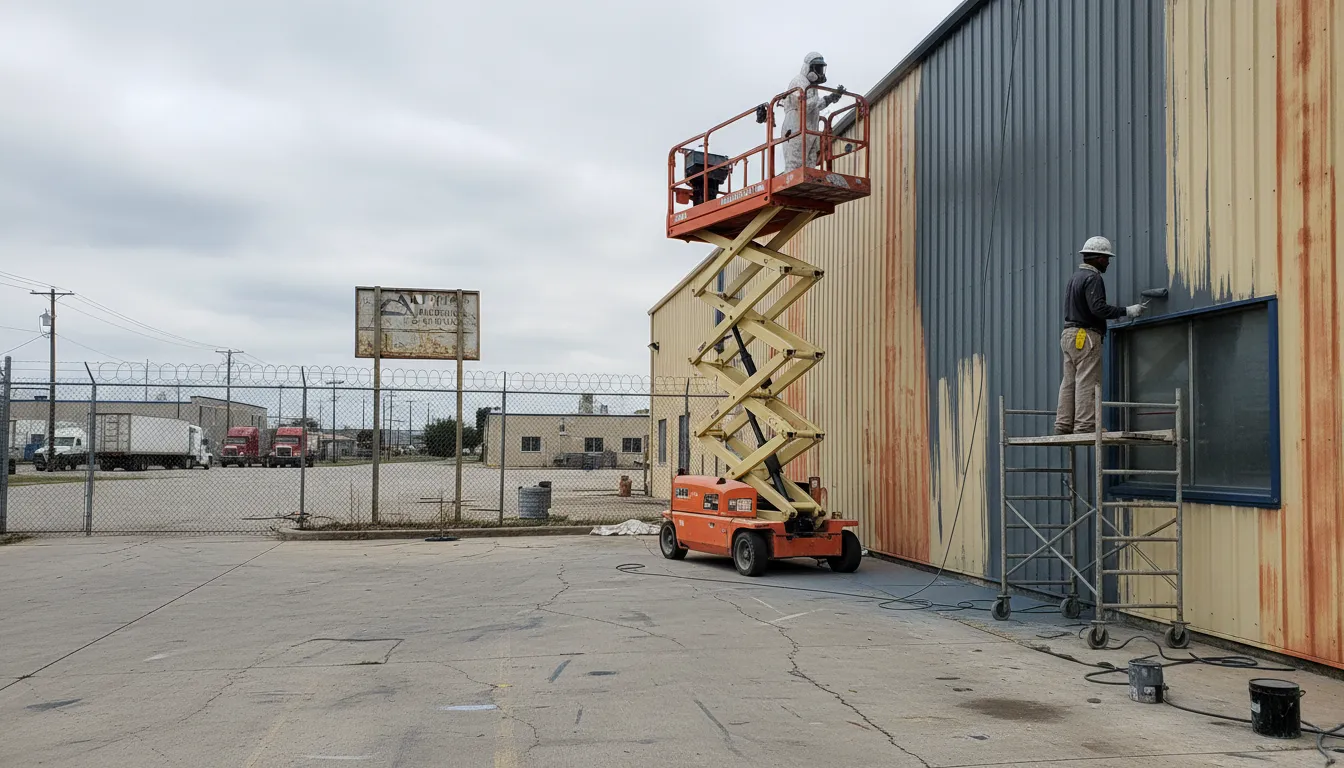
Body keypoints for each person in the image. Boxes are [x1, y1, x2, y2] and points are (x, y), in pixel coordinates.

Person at [1055, 236, 1146, 435]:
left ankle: (1063, 424)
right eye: (1106, 258)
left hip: (1069, 335)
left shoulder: (1074, 278)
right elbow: (1098, 309)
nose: (1108, 262)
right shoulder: (1093, 278)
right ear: (1096, 258)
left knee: (1069, 381)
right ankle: (1086, 425)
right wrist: (1127, 311)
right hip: (1086, 335)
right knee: (1087, 380)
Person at [781, 52, 845, 172]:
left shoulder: (811, 87)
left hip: (809, 129)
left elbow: (814, 106)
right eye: (818, 69)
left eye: (821, 69)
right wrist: (824, 99)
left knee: (810, 164)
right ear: (809, 68)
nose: (820, 72)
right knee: (794, 165)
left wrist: (830, 98)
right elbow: (806, 105)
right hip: (795, 129)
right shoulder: (799, 81)